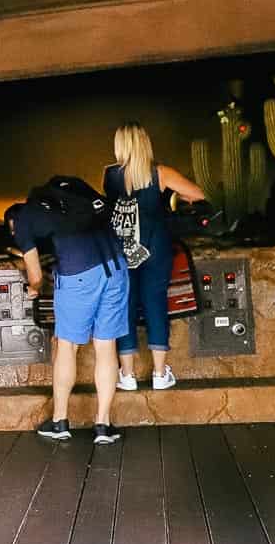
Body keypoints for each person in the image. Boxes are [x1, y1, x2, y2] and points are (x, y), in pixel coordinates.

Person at [15, 181, 128, 445]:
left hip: (77, 275)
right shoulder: (76, 192)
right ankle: (103, 425)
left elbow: (35, 277)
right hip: (116, 268)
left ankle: (60, 422)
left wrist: (32, 288)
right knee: (106, 345)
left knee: (66, 346)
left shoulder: (24, 219)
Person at [104, 122, 207, 394]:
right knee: (155, 305)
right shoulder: (160, 173)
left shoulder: (109, 175)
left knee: (123, 307)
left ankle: (127, 375)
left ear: (120, 145)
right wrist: (176, 195)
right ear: (144, 143)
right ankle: (160, 374)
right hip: (155, 247)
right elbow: (198, 194)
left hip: (122, 249)